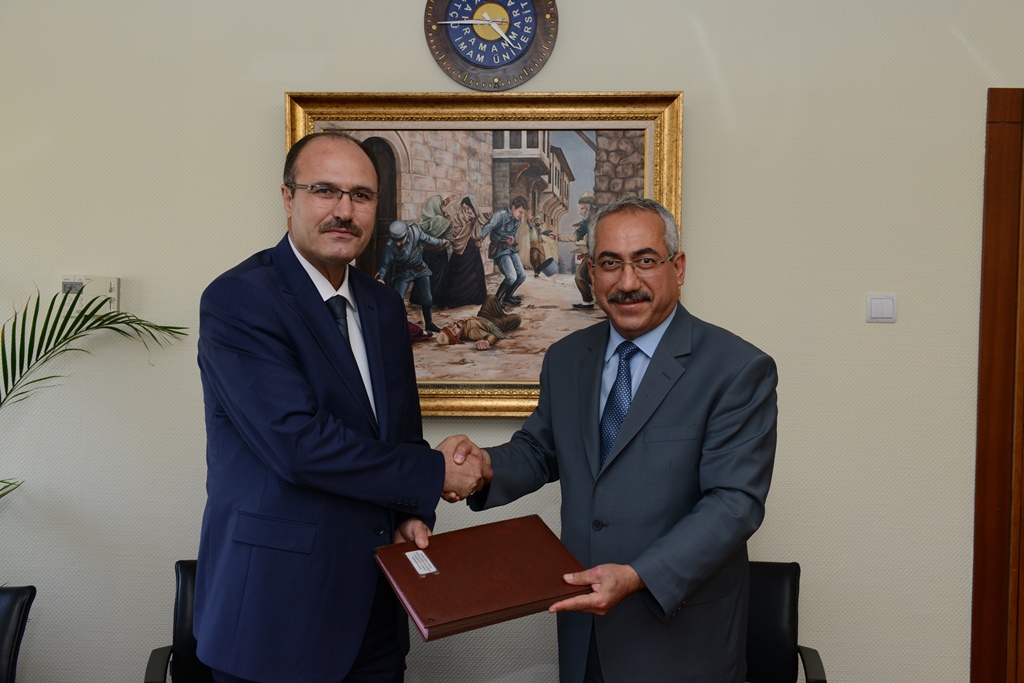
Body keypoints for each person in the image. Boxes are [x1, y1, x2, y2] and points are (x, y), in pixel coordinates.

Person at [193, 131, 490, 683]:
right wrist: (434, 473)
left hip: (375, 611)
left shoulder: (382, 305)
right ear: (288, 198)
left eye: (361, 195)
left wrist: (412, 514)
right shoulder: (240, 299)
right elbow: (298, 445)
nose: (344, 211)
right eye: (325, 191)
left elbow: (400, 437)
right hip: (275, 612)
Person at [460, 196, 778, 682]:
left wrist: (638, 576)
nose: (627, 282)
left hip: (681, 641)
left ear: (678, 267)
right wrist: (483, 466)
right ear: (592, 271)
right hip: (584, 631)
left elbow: (733, 504)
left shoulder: (736, 368)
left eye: (645, 261)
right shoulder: (566, 358)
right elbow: (540, 450)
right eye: (610, 264)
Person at [375, 220, 449, 334]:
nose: (398, 244)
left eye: (400, 240)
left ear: (407, 234)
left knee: (427, 298)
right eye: (395, 241)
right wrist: (380, 277)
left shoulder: (415, 230)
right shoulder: (389, 246)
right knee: (397, 300)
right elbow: (384, 265)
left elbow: (427, 239)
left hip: (419, 268)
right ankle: (395, 326)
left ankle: (429, 324)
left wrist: (440, 242)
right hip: (402, 273)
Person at [435, 195, 488, 308]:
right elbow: (456, 233)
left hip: (472, 250)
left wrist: (477, 236)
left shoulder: (476, 217)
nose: (466, 210)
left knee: (475, 274)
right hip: (461, 250)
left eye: (469, 208)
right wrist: (468, 224)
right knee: (457, 276)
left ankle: (474, 298)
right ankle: (455, 300)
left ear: (473, 207)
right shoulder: (458, 217)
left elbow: (479, 232)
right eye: (464, 208)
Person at [481, 195, 528, 308]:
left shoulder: (518, 219)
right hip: (500, 249)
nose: (521, 215)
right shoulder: (500, 215)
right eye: (520, 212)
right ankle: (496, 302)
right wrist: (479, 240)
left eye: (523, 213)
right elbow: (488, 227)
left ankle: (507, 297)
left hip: (511, 248)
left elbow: (515, 232)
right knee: (511, 276)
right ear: (513, 208)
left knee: (522, 275)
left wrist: (514, 239)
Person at [410, 193, 455, 311]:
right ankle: (438, 301)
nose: (443, 207)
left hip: (427, 254)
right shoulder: (442, 221)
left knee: (425, 277)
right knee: (439, 278)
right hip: (439, 254)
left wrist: (448, 200)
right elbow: (450, 234)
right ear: (436, 207)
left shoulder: (425, 221)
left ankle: (419, 299)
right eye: (442, 205)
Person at [435, 294, 522, 349]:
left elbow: (463, 324)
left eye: (450, 326)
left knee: (491, 297)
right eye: (454, 330)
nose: (454, 325)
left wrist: (463, 321)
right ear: (457, 337)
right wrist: (487, 342)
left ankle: (501, 314)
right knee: (517, 318)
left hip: (483, 315)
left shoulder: (461, 326)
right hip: (494, 323)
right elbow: (491, 335)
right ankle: (502, 317)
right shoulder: (472, 332)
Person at [572, 192, 599, 309]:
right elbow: (576, 236)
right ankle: (588, 301)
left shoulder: (601, 219)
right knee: (580, 277)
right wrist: (558, 237)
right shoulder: (586, 222)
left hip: (602, 254)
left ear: (589, 208)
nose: (581, 211)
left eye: (583, 208)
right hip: (591, 254)